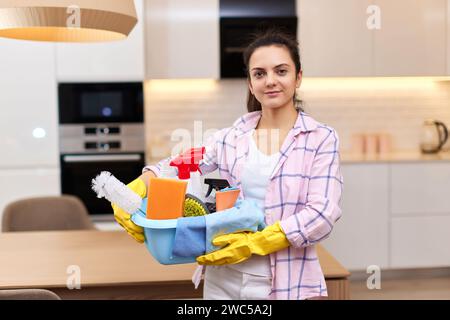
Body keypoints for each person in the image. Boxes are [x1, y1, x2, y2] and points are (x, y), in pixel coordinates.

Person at [113, 29, 343, 300]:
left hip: (281, 281)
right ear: (250, 83)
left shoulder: (320, 139)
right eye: (259, 73)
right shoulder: (233, 135)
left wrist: (257, 242)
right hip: (221, 276)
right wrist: (136, 187)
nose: (270, 81)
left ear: (298, 77)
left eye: (281, 71)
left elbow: (322, 213)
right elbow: (182, 164)